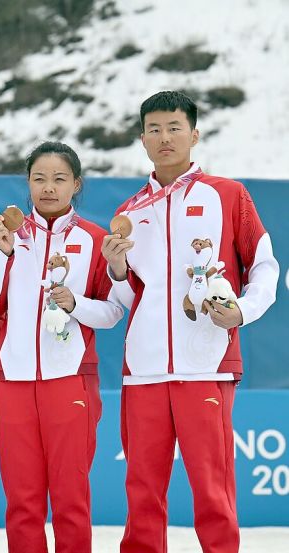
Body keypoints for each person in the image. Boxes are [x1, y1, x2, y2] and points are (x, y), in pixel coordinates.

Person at [103, 91, 279, 553]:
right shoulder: (128, 211)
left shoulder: (227, 195)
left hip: (205, 363)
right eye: (155, 129)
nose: (165, 137)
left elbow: (264, 265)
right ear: (142, 139)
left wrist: (243, 310)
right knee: (142, 489)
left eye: (175, 127)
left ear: (194, 134)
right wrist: (117, 270)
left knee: (212, 488)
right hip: (143, 369)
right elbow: (126, 296)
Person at [0, 142, 123, 552]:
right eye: (39, 179)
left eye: (59, 179)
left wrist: (77, 304)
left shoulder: (94, 238)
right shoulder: (8, 235)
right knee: (22, 501)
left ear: (76, 184)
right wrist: (4, 255)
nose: (48, 188)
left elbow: (112, 313)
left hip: (70, 382)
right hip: (15, 384)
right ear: (28, 183)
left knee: (71, 498)